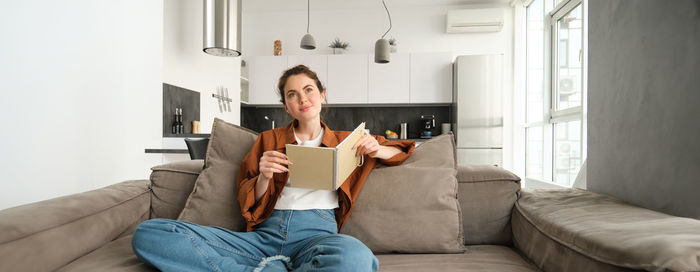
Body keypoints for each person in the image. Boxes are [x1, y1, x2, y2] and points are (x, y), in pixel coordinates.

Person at [131, 65, 415, 272]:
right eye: (293, 95)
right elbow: (248, 199)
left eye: (309, 90)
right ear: (286, 106)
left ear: (322, 95)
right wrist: (264, 177)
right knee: (150, 234)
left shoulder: (347, 141)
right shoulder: (268, 140)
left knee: (357, 259)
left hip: (318, 235)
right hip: (263, 237)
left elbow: (402, 149)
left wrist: (378, 149)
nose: (303, 99)